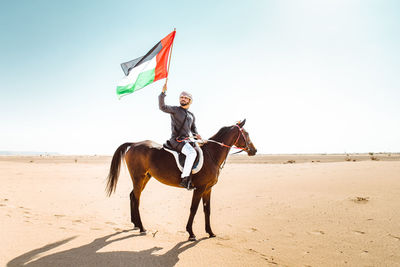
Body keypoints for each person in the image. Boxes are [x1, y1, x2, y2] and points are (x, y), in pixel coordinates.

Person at [159, 84, 202, 190]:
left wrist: (197, 135)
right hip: (176, 140)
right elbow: (162, 107)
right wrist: (163, 94)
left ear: (189, 101)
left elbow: (193, 128)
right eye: (181, 97)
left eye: (185, 98)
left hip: (187, 141)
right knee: (191, 153)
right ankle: (185, 179)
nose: (182, 99)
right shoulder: (175, 110)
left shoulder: (191, 115)